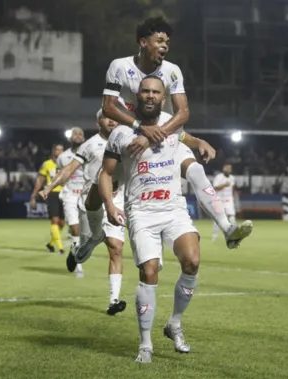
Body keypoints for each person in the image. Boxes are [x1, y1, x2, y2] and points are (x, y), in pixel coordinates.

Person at [101, 75, 233, 363]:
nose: (150, 95)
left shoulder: (173, 125)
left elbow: (187, 138)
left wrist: (202, 143)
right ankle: (145, 345)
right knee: (149, 271)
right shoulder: (121, 133)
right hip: (141, 212)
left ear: (163, 99)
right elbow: (106, 173)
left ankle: (174, 323)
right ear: (137, 97)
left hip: (173, 208)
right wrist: (110, 204)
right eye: (145, 91)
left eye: (155, 92)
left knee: (193, 261)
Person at [99, 16, 249, 249]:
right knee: (95, 192)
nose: (165, 46)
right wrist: (142, 128)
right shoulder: (119, 66)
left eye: (167, 42)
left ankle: (227, 227)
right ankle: (88, 239)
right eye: (159, 40)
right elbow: (109, 107)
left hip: (163, 135)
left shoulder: (172, 71)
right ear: (142, 42)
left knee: (196, 170)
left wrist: (168, 136)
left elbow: (183, 113)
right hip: (128, 136)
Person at [40, 111, 125, 310]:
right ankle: (76, 251)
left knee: (116, 248)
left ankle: (114, 300)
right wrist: (49, 187)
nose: (111, 120)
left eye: (114, 117)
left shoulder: (125, 140)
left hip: (115, 201)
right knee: (84, 250)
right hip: (90, 202)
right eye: (106, 117)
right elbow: (68, 169)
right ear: (98, 123)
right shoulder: (89, 145)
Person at [56, 128, 86, 262]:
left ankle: (75, 248)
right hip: (71, 195)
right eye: (75, 134)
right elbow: (59, 175)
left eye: (81, 134)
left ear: (84, 139)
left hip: (86, 195)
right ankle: (76, 260)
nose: (78, 136)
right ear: (70, 139)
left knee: (86, 233)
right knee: (75, 228)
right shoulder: (63, 157)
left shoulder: (90, 153)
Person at [31, 144, 66, 254]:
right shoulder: (47, 164)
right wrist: (33, 195)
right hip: (52, 194)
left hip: (65, 194)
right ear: (53, 151)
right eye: (57, 150)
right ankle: (60, 248)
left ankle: (51, 244)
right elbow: (40, 181)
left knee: (62, 223)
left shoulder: (67, 164)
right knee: (54, 220)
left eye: (61, 150)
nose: (59, 152)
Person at [211, 164, 237, 242]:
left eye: (229, 169)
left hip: (229, 200)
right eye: (227, 168)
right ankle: (214, 236)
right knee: (218, 219)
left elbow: (232, 188)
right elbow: (215, 188)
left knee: (232, 218)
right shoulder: (219, 177)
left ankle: (234, 235)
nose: (228, 170)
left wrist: (233, 198)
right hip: (219, 200)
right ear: (224, 169)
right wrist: (224, 185)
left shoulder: (232, 178)